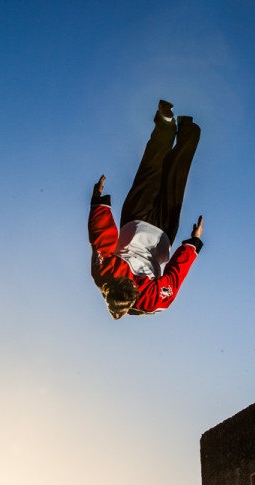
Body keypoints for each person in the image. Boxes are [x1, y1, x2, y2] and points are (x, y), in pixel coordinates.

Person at [88, 100, 204, 320]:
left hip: (135, 220)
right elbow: (175, 275)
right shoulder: (155, 300)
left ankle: (165, 124)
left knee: (151, 170)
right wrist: (192, 244)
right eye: (132, 280)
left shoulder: (104, 274)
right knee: (175, 178)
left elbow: (101, 239)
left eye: (123, 276)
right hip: (164, 232)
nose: (129, 275)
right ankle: (189, 130)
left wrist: (98, 203)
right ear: (136, 293)